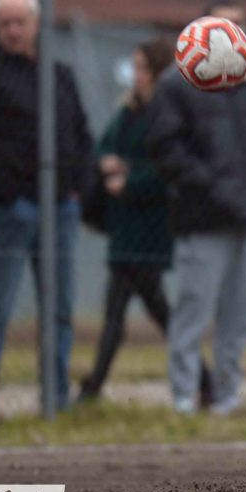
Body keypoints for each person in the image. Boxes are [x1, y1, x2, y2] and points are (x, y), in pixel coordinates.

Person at [147, 0, 246, 416]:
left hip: (243, 220)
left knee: (235, 317)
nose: (235, 33)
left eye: (240, 25)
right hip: (202, 219)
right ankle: (184, 398)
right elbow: (167, 150)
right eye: (225, 24)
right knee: (192, 311)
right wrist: (215, 189)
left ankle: (227, 396)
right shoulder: (176, 85)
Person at [0, 0, 94, 414]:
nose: (13, 30)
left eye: (20, 22)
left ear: (36, 25)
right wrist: (8, 193)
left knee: (59, 310)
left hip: (61, 209)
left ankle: (55, 398)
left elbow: (80, 133)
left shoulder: (59, 75)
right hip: (11, 209)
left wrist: (75, 188)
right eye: (5, 24)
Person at [79, 39, 175, 401]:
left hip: (149, 228)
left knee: (142, 310)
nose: (136, 76)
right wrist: (107, 161)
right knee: (136, 310)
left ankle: (93, 385)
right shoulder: (128, 110)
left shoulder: (166, 114)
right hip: (124, 228)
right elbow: (105, 145)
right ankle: (94, 385)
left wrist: (130, 182)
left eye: (142, 68)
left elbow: (166, 169)